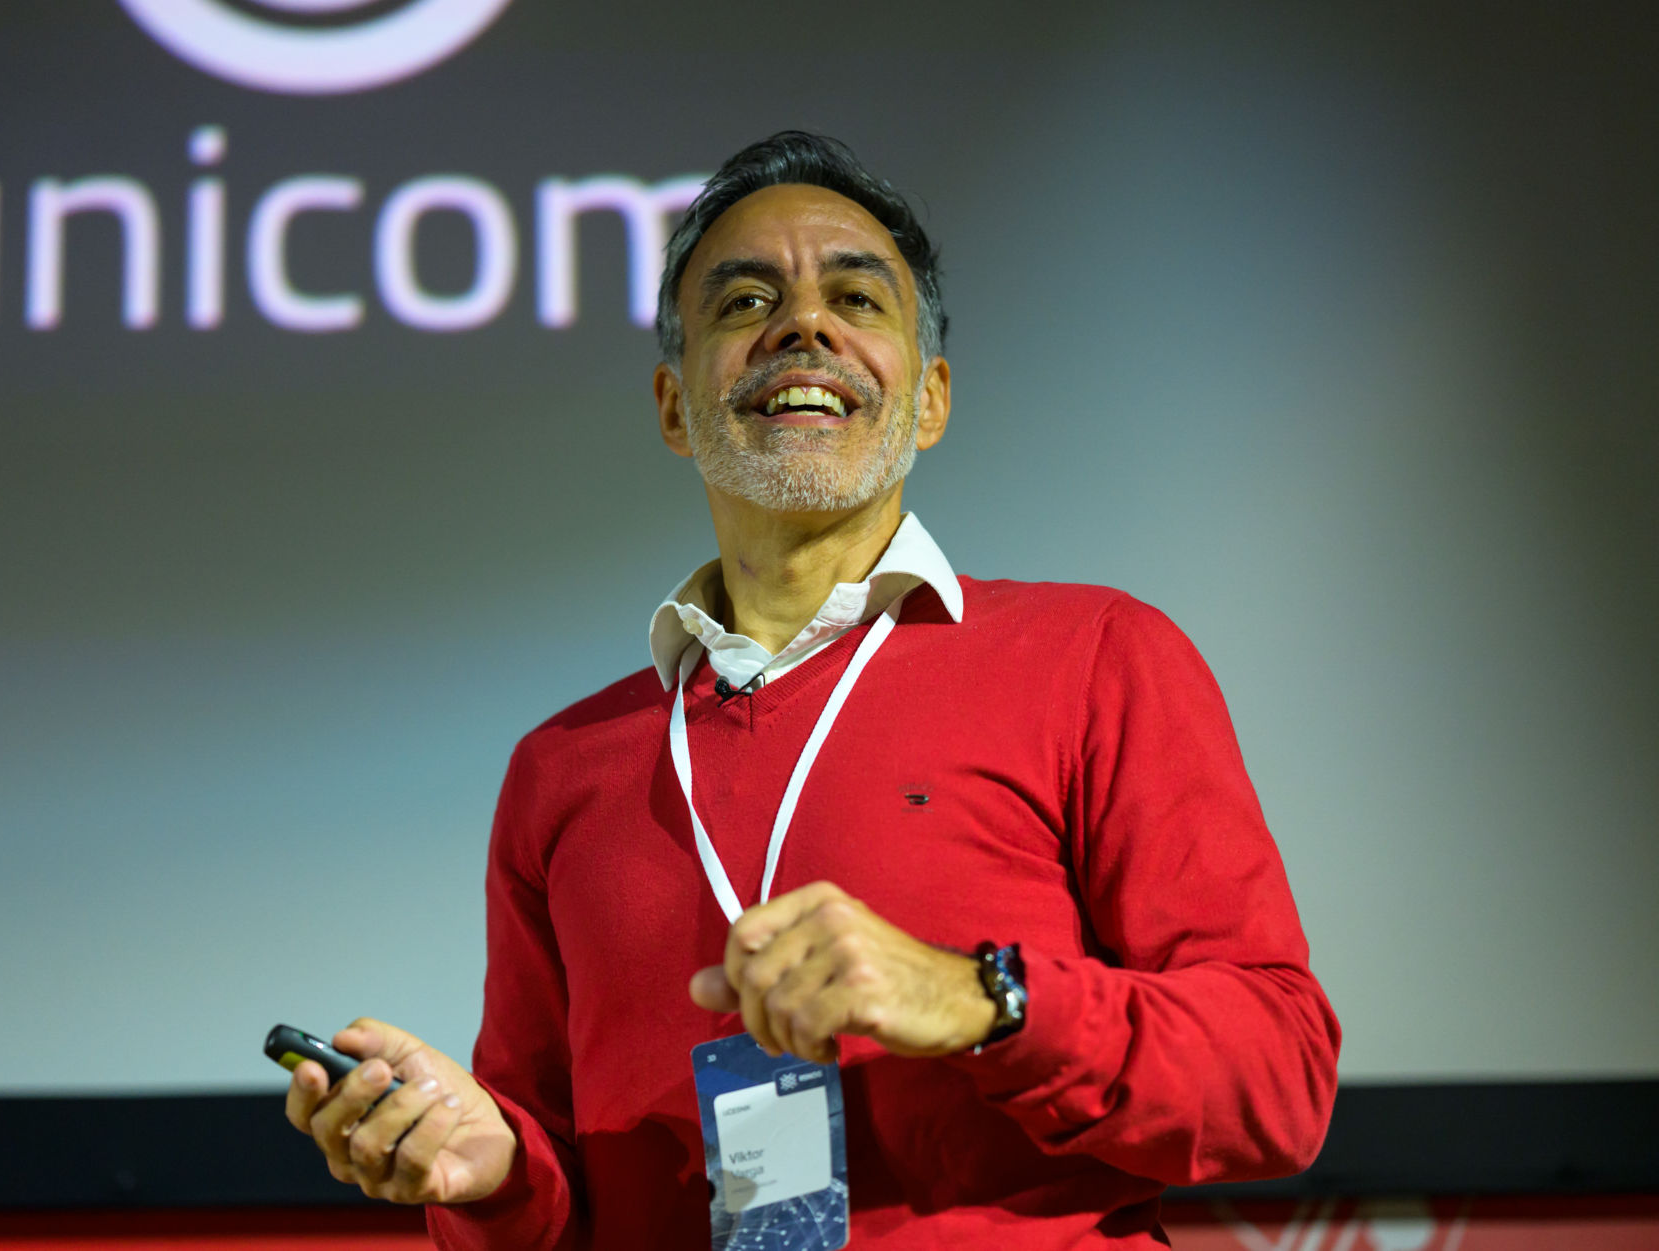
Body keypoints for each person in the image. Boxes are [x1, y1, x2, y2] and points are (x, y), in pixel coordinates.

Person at [284, 131, 1341, 1250]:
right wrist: (492, 1177)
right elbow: (558, 1198)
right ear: (674, 408)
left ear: (929, 401)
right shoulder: (561, 768)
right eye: (746, 301)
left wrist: (980, 999)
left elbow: (1276, 1080)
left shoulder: (1096, 657)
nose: (804, 325)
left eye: (857, 298)